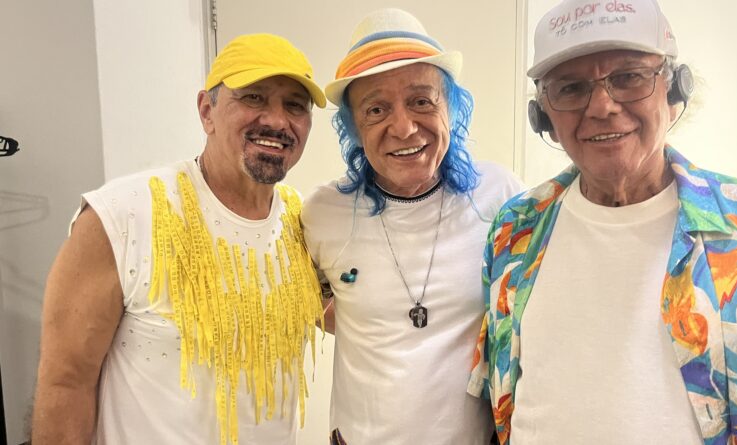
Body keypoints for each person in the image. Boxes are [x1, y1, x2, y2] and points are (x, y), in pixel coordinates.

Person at [468, 0, 737, 443]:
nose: (602, 106)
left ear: (674, 90)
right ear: (542, 114)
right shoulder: (515, 230)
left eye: (628, 77)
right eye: (571, 88)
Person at [31, 34, 327, 445]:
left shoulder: (304, 222)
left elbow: (360, 318)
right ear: (207, 111)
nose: (277, 121)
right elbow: (66, 383)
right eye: (254, 97)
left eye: (295, 105)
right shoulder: (122, 215)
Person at [301, 8, 524, 445]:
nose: (403, 128)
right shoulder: (323, 213)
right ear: (353, 127)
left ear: (451, 107)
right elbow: (309, 304)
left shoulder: (501, 198)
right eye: (376, 109)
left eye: (422, 101)